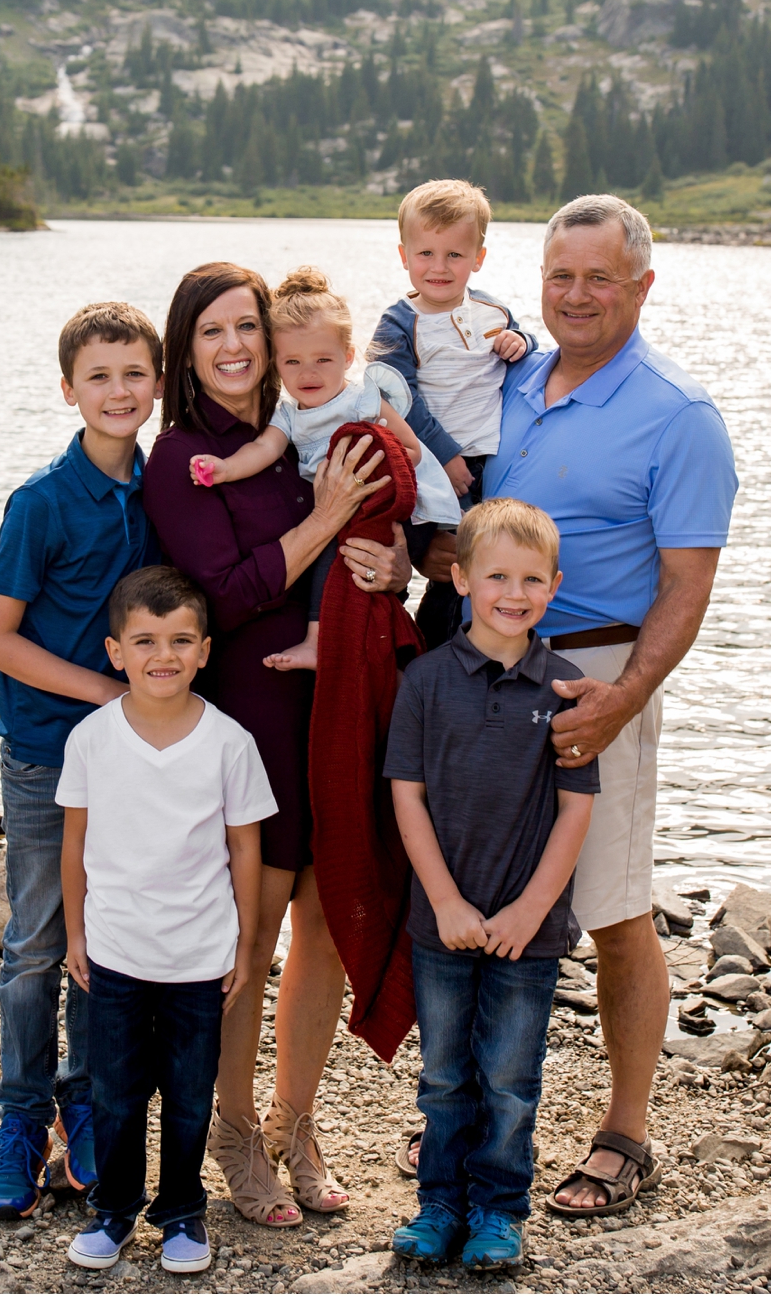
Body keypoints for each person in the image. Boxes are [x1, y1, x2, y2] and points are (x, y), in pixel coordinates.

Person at [416, 193, 738, 1218]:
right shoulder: (509, 377)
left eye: (601, 276)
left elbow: (687, 587)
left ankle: (625, 1132)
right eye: (562, 274)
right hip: (481, 669)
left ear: (642, 283)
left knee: (609, 904)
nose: (578, 294)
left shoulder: (678, 414)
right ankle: (465, 1112)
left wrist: (624, 698)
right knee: (473, 890)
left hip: (593, 676)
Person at [141, 261, 414, 1226]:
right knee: (246, 944)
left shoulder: (311, 426)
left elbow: (380, 530)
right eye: (211, 331)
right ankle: (234, 1132)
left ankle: (298, 1121)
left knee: (329, 929)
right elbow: (223, 592)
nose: (234, 347)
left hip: (334, 699)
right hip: (248, 716)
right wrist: (332, 515)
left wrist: (394, 564)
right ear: (186, 347)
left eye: (246, 327)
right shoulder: (181, 457)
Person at [0, 301, 163, 1217]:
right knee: (39, 940)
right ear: (68, 389)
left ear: (156, 385)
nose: (119, 391)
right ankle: (20, 1117)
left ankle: (84, 1104)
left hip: (131, 759)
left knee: (104, 937)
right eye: (100, 376)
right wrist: (106, 693)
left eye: (134, 374)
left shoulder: (159, 492)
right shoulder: (42, 501)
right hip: (49, 752)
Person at [384, 499, 595, 1271]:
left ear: (554, 585)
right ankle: (439, 1202)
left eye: (532, 578)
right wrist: (443, 898)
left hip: (527, 931)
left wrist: (531, 907)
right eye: (497, 574)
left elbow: (578, 809)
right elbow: (406, 795)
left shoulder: (566, 686)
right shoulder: (427, 680)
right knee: (444, 1076)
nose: (514, 591)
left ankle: (500, 1211)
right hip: (440, 921)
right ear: (460, 577)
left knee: (510, 1079)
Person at [58, 566, 276, 1274]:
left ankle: (183, 1210)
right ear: (116, 650)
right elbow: (75, 842)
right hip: (116, 952)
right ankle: (115, 1209)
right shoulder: (92, 739)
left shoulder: (229, 742)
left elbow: (245, 845)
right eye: (146, 640)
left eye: (181, 639)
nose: (165, 655)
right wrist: (76, 934)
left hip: (199, 956)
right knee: (115, 1094)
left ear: (205, 650)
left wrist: (244, 943)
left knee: (188, 1095)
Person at [192, 267, 459, 672]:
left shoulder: (361, 401)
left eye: (322, 359)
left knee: (346, 556)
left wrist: (369, 459)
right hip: (345, 514)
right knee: (332, 556)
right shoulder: (289, 414)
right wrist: (226, 468)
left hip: (407, 510)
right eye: (293, 362)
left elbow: (411, 450)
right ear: (275, 363)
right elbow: (264, 448)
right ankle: (328, 645)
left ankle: (339, 647)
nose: (308, 373)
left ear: (348, 357)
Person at [367, 181, 534, 651]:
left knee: (490, 564)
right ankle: (428, 649)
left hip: (491, 465)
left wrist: (520, 343)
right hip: (431, 465)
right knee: (448, 565)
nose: (438, 268)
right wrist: (444, 457)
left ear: (478, 257)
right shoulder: (400, 322)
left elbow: (522, 341)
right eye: (425, 254)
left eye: (454, 256)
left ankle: (487, 649)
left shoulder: (491, 310)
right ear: (404, 255)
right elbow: (397, 397)